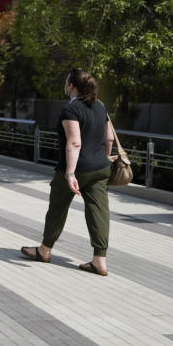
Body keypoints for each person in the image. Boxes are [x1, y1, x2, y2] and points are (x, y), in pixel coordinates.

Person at [20, 69, 115, 275]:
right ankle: (100, 260)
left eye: (66, 81)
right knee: (99, 212)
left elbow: (74, 142)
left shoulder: (70, 110)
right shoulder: (101, 106)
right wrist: (105, 158)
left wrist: (70, 174)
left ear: (72, 85)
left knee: (57, 208)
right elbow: (109, 138)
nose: (65, 84)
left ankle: (44, 250)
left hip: (76, 169)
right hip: (100, 168)